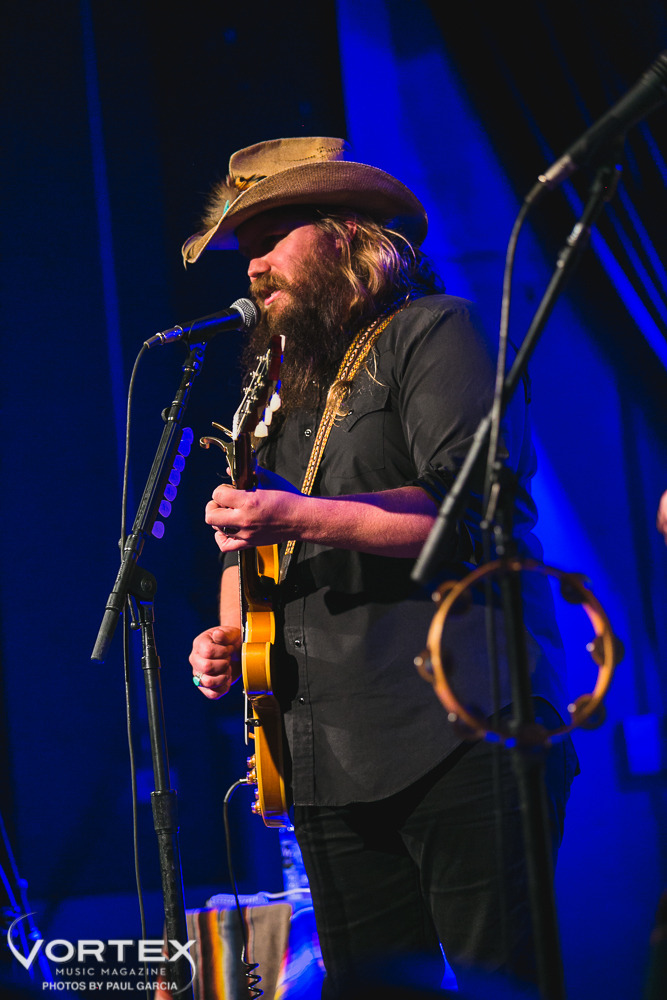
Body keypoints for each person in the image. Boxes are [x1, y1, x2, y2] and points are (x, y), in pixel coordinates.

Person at [186, 137, 577, 997]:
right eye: (242, 249)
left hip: (460, 728)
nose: (251, 267)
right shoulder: (273, 380)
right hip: (327, 756)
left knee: (499, 982)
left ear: (345, 234)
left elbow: (471, 513)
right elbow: (249, 544)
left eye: (270, 237)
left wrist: (296, 513)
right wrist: (226, 630)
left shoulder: (435, 332)